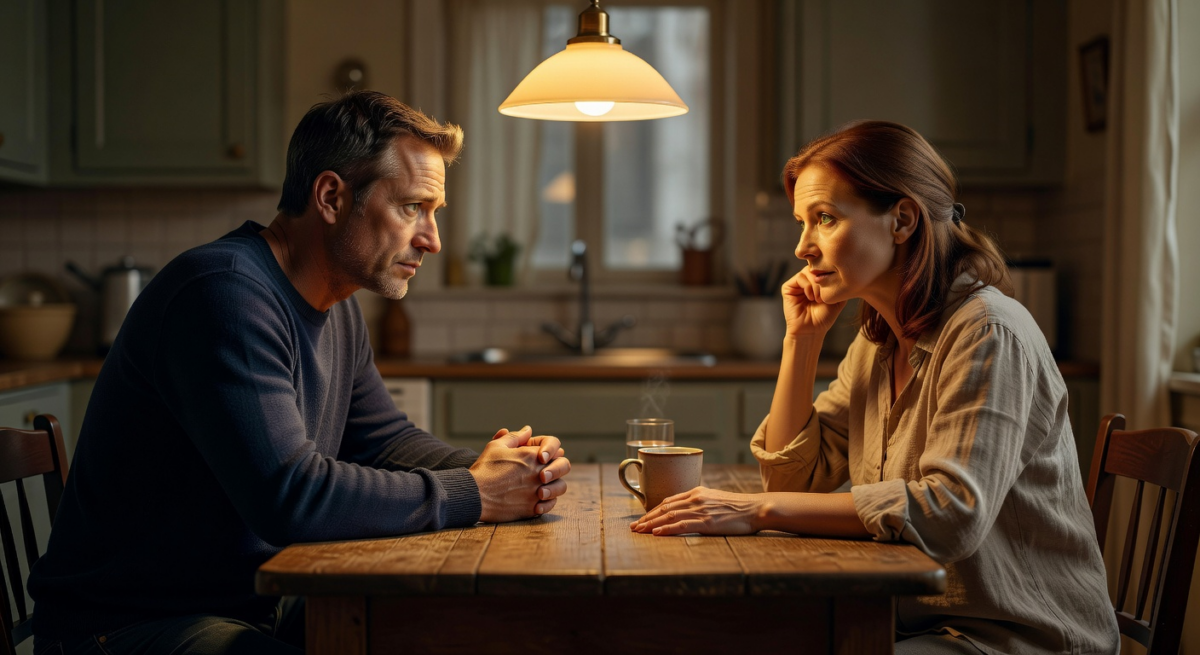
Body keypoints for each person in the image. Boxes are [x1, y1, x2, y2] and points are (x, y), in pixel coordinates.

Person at [28, 91, 571, 655]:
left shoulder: (337, 306)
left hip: (248, 605)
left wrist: (509, 471)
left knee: (440, 627)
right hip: (122, 628)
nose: (432, 239)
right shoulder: (221, 293)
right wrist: (476, 493)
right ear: (332, 196)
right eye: (412, 208)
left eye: (434, 213)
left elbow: (384, 442)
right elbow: (291, 496)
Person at [630, 121, 1119, 654]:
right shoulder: (879, 340)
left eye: (824, 219)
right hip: (911, 625)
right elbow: (793, 477)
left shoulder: (988, 333)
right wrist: (802, 341)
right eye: (802, 223)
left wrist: (754, 512)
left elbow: (951, 512)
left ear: (902, 220)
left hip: (1017, 637)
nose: (802, 248)